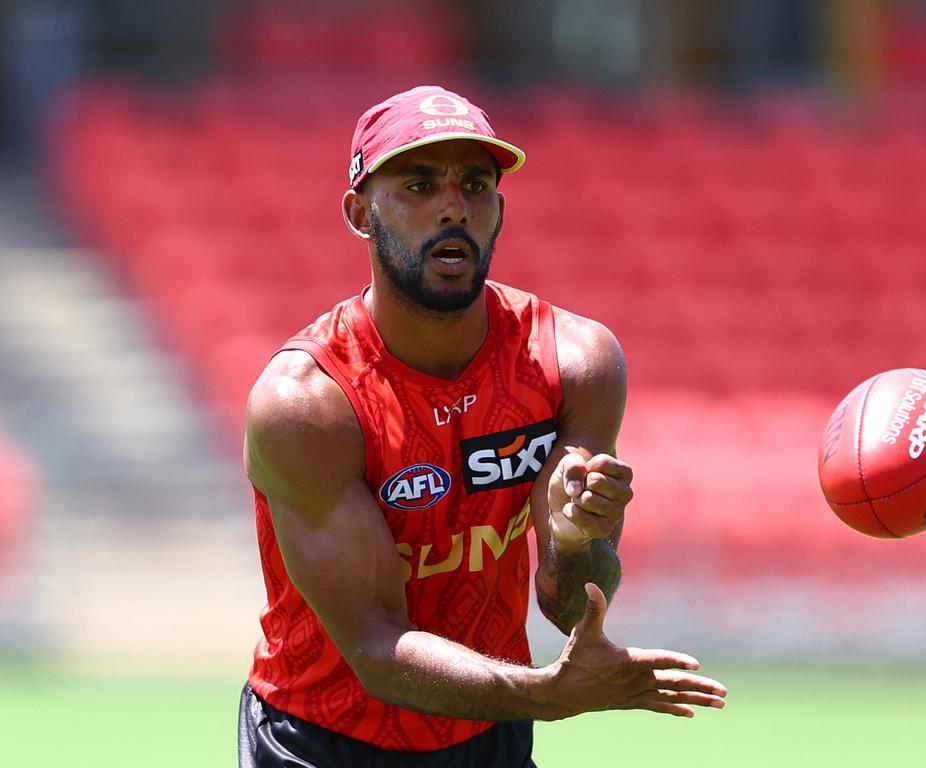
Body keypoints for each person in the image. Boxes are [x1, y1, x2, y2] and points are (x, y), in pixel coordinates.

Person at [238, 85, 726, 767]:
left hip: (488, 734)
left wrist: (572, 536)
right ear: (360, 213)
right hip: (321, 738)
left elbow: (564, 602)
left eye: (475, 183)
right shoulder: (308, 403)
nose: (452, 207)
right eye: (418, 183)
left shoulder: (574, 363)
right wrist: (544, 695)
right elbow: (376, 648)